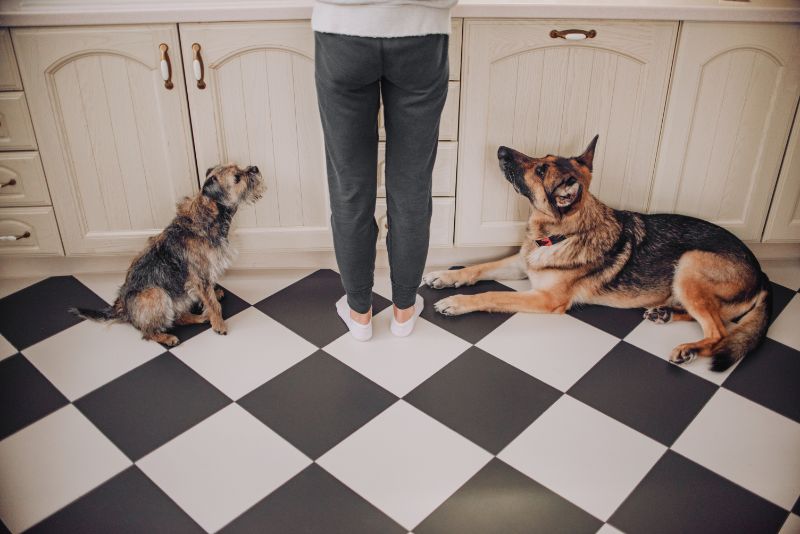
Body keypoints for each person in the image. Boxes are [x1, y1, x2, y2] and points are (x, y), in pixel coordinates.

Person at [313, 0, 457, 340]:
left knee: (350, 186)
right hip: (422, 33)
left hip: (342, 34)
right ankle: (404, 311)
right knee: (412, 187)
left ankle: (359, 312)